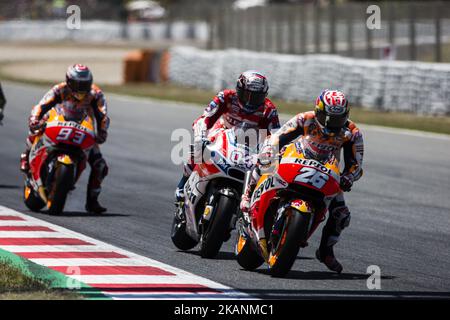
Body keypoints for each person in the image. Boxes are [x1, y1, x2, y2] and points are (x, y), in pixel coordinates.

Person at [240, 89, 364, 273]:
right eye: (328, 118)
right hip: (295, 156)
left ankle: (325, 251)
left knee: (341, 215)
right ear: (319, 112)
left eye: (337, 119)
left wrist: (348, 177)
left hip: (327, 171)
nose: (332, 124)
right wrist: (269, 152)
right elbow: (277, 137)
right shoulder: (305, 118)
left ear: (345, 116)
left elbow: (357, 164)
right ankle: (248, 195)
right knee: (264, 161)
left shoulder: (352, 132)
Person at [175, 70, 281, 205]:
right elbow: (205, 118)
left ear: (264, 96)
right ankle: (183, 183)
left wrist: (274, 152)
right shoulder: (226, 96)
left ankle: (248, 201)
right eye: (247, 95)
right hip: (222, 131)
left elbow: (276, 135)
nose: (250, 101)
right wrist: (200, 136)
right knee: (199, 147)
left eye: (256, 97)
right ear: (238, 90)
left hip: (250, 142)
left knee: (265, 168)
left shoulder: (269, 109)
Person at [20, 65, 110, 214]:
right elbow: (41, 105)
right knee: (36, 128)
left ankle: (92, 201)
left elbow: (103, 115)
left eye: (85, 84)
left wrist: (102, 132)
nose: (81, 88)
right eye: (77, 84)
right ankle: (26, 154)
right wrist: (34, 118)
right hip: (56, 122)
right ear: (69, 81)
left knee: (100, 166)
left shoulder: (96, 94)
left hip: (82, 130)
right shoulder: (59, 89)